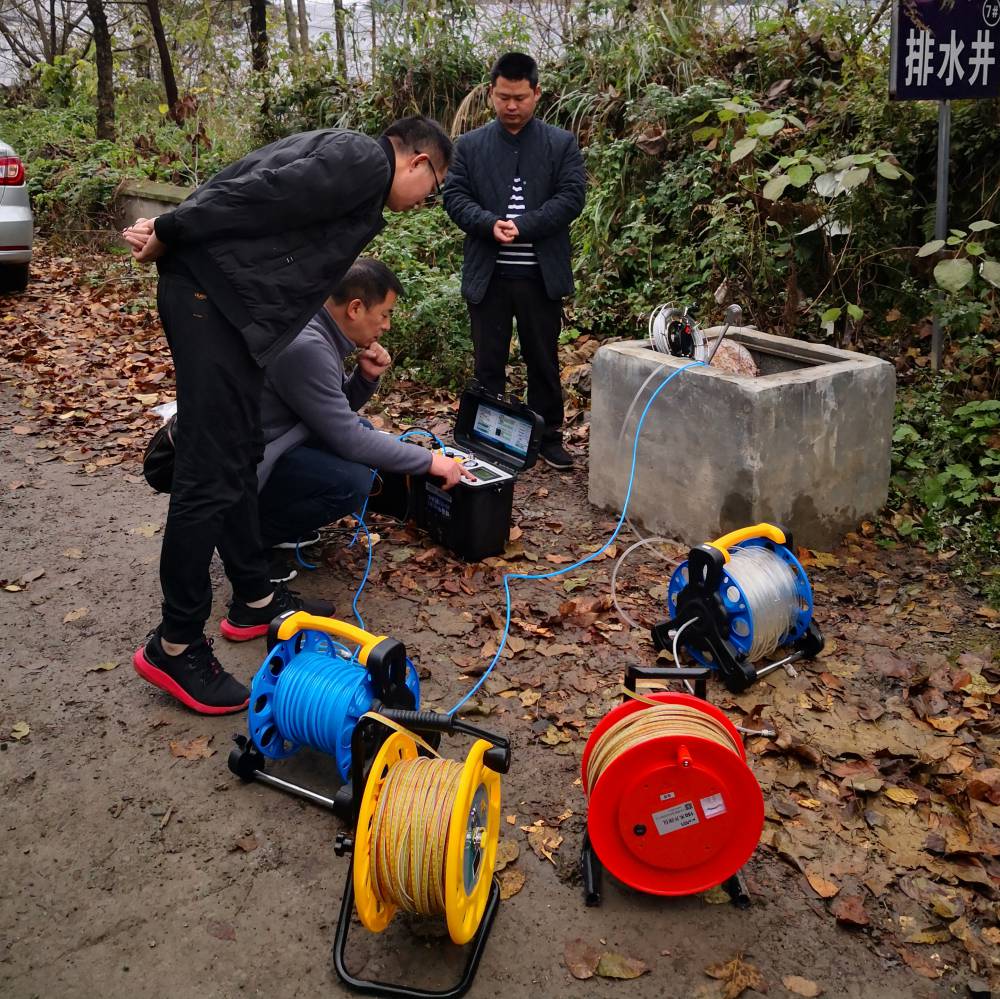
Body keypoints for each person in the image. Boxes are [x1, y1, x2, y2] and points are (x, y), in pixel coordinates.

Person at [122, 116, 452, 716]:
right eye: (431, 189)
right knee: (209, 472)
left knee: (241, 453)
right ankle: (175, 643)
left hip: (238, 313)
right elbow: (260, 192)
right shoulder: (365, 162)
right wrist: (172, 228)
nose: (424, 202)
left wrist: (179, 224)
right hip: (213, 299)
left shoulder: (352, 163)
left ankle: (252, 598)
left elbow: (251, 175)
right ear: (418, 163)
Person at [256, 257, 474, 560]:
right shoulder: (307, 346)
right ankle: (252, 537)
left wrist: (365, 377)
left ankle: (273, 523)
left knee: (367, 439)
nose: (387, 325)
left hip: (277, 440)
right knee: (352, 482)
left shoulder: (314, 326)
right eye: (385, 314)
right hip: (251, 462)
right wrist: (429, 461)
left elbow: (329, 409)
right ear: (355, 308)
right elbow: (349, 439)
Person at [443, 51, 586, 470]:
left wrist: (523, 226)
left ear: (536, 93)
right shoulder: (469, 146)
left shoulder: (560, 144)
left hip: (540, 275)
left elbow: (571, 197)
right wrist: (489, 224)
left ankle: (547, 437)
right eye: (503, 96)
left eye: (520, 97)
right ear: (490, 94)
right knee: (489, 359)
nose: (511, 106)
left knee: (543, 358)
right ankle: (490, 439)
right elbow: (454, 198)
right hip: (489, 275)